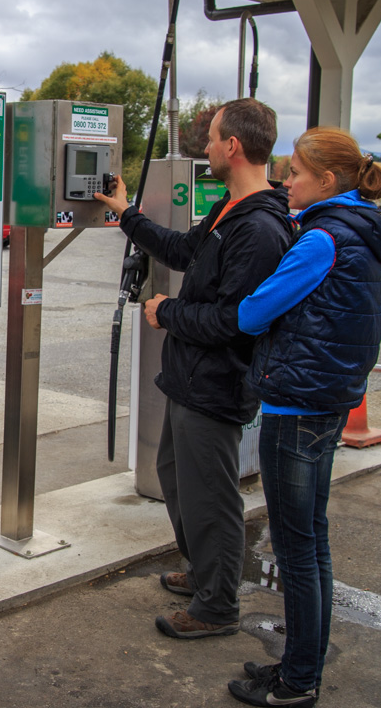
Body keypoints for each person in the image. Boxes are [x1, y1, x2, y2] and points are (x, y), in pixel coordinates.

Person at [95, 98, 294, 640]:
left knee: (212, 496)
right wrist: (125, 213)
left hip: (217, 382)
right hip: (189, 378)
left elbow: (236, 319)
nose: (204, 148)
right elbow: (184, 251)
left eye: (211, 138)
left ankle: (217, 606)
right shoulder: (230, 210)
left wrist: (167, 313)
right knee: (177, 479)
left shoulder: (261, 229)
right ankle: (205, 573)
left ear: (233, 146)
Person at [227, 128, 381, 708]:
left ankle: (298, 680)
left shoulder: (322, 240)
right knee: (313, 541)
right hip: (328, 402)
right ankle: (302, 660)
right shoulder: (359, 231)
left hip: (295, 408)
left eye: (296, 173)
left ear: (327, 181)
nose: (286, 183)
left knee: (297, 548)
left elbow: (252, 314)